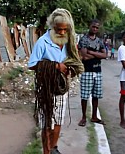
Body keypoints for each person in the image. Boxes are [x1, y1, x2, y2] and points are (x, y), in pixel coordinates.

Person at [28, 8, 84, 154]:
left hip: (61, 89)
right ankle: (46, 151)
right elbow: (32, 64)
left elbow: (73, 58)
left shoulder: (68, 41)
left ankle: (53, 147)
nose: (63, 33)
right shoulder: (43, 42)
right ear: (52, 27)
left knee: (58, 120)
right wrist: (56, 66)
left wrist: (70, 68)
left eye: (65, 30)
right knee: (47, 123)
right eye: (59, 29)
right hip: (47, 89)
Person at [78, 19, 107, 127]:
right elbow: (84, 57)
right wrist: (97, 54)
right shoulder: (83, 40)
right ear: (89, 26)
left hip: (98, 71)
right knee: (85, 96)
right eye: (93, 27)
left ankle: (94, 116)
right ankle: (83, 117)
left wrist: (90, 52)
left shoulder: (99, 41)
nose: (95, 29)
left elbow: (105, 55)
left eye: (97, 27)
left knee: (96, 95)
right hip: (87, 71)